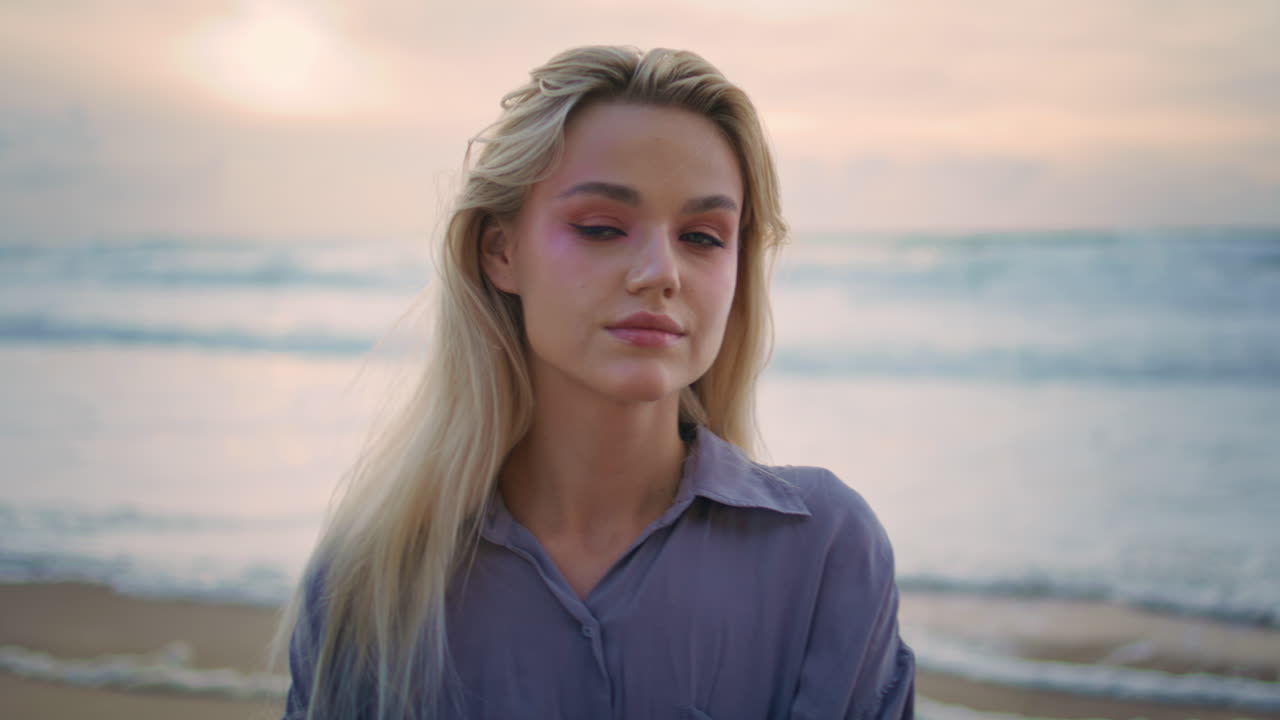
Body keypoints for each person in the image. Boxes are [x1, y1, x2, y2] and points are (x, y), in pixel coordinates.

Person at [278, 45, 915, 720]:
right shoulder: (371, 583)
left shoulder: (824, 553)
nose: (659, 272)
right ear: (501, 251)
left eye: (702, 237)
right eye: (602, 228)